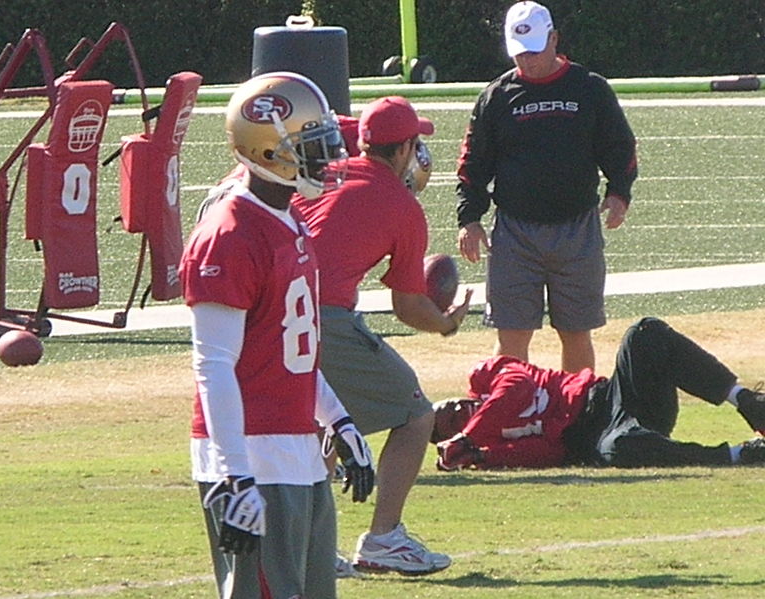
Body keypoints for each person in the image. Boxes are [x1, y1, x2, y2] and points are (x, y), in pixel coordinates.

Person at [180, 71, 375, 599]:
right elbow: (213, 364)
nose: (329, 159)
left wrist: (337, 418)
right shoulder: (230, 232)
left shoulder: (289, 220)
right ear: (268, 150)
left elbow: (292, 351)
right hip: (254, 453)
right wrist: (233, 473)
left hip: (295, 447)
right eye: (314, 147)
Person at [293, 96, 472, 575]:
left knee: (324, 423)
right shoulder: (402, 206)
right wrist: (446, 322)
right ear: (404, 150)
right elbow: (409, 306)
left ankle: (312, 545)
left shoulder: (328, 172)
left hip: (277, 311)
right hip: (324, 316)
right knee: (415, 413)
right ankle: (383, 539)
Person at [455, 1, 638, 373]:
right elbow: (472, 164)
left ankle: (577, 417)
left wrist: (619, 193)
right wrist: (469, 218)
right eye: (519, 53)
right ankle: (512, 416)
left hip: (577, 228)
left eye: (535, 50)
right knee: (511, 336)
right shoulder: (497, 97)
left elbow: (620, 147)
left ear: (554, 39)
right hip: (514, 234)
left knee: (575, 332)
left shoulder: (590, 89)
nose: (527, 61)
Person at [432, 317, 765, 471]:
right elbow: (550, 452)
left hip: (611, 395)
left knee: (644, 333)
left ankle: (747, 401)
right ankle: (738, 455)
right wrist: (478, 453)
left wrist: (468, 435)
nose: (459, 407)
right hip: (596, 434)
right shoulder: (490, 449)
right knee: (618, 448)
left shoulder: (485, 375)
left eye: (449, 405)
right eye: (452, 419)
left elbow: (516, 387)